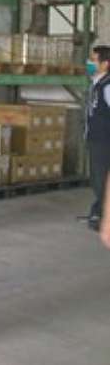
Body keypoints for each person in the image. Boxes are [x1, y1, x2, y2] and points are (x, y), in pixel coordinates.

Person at [84, 45, 110, 233]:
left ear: (105, 63)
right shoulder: (96, 83)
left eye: (93, 60)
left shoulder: (108, 86)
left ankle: (101, 214)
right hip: (95, 139)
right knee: (97, 179)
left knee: (100, 180)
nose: (89, 63)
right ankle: (99, 212)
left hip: (104, 141)